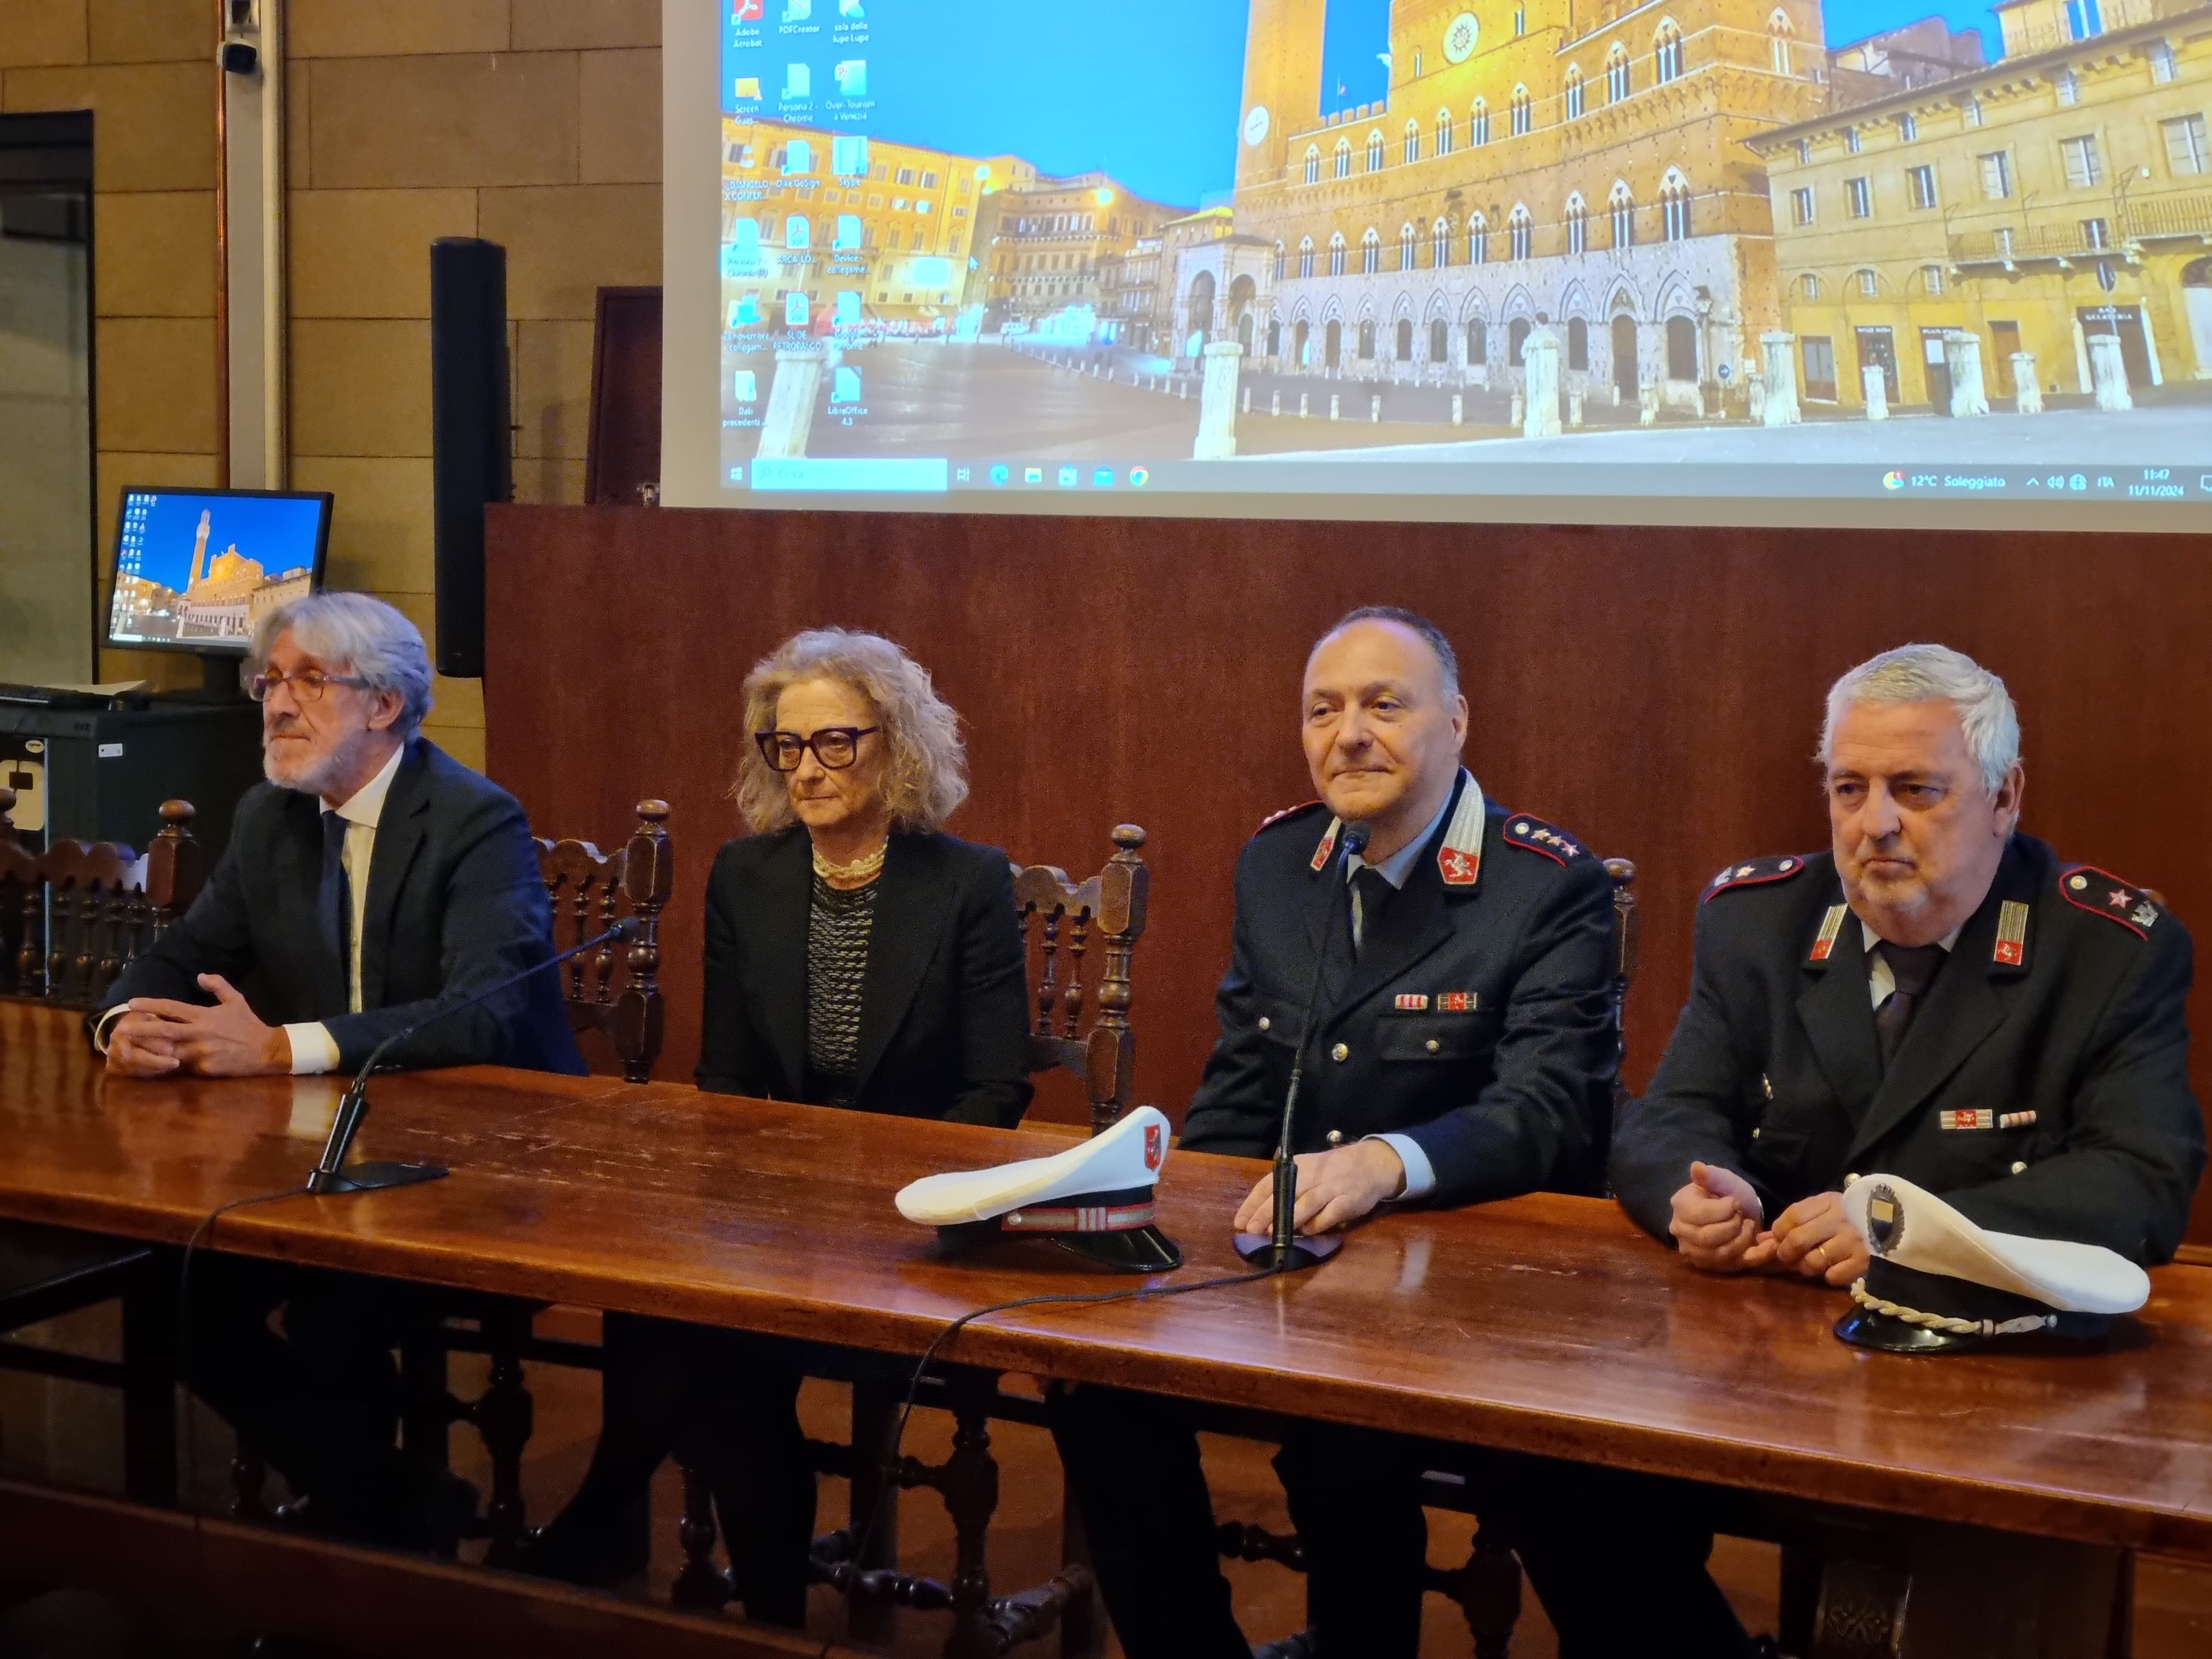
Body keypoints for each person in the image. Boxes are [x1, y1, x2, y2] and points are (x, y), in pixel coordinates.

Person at [1052, 607, 1743, 1659]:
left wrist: (1388, 1160)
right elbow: (1247, 1075)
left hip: (1465, 1281)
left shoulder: (1545, 883)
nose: (1350, 733)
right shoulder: (1282, 861)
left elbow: (1549, 1112)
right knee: (1095, 1382)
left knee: (1349, 1445)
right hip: (1294, 1258)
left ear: (1456, 721)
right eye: (1322, 710)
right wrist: (1181, 1222)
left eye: (1385, 704)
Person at [521, 628, 1031, 1616]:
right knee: (673, 1304)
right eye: (785, 746)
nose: (807, 767)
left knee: (726, 1348)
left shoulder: (965, 881)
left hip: (911, 1219)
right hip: (772, 1209)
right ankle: (769, 1614)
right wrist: (764, 1202)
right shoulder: (747, 877)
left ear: (897, 743)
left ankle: (635, 1533)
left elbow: (994, 1087)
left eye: (834, 741)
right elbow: (727, 1078)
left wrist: (891, 1199)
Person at [93, 591, 582, 1551]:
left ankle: (364, 1545)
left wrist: (277, 1045)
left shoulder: (474, 820)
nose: (276, 703)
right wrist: (126, 1021)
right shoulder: (270, 814)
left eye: (309, 680)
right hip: (322, 1154)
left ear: (385, 705)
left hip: (484, 1158)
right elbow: (178, 954)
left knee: (336, 1310)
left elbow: (485, 1010)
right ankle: (391, 1508)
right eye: (270, 679)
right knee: (182, 1292)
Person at [1612, 640, 2203, 1278]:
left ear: (2005, 797)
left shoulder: (2105, 953)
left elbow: (2142, 1184)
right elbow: (1670, 1117)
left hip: (1988, 1338)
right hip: (1769, 1316)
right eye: (1849, 789)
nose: (1876, 823)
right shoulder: (1756, 922)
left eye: (1915, 789)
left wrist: (1910, 1233)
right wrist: (1694, 1199)